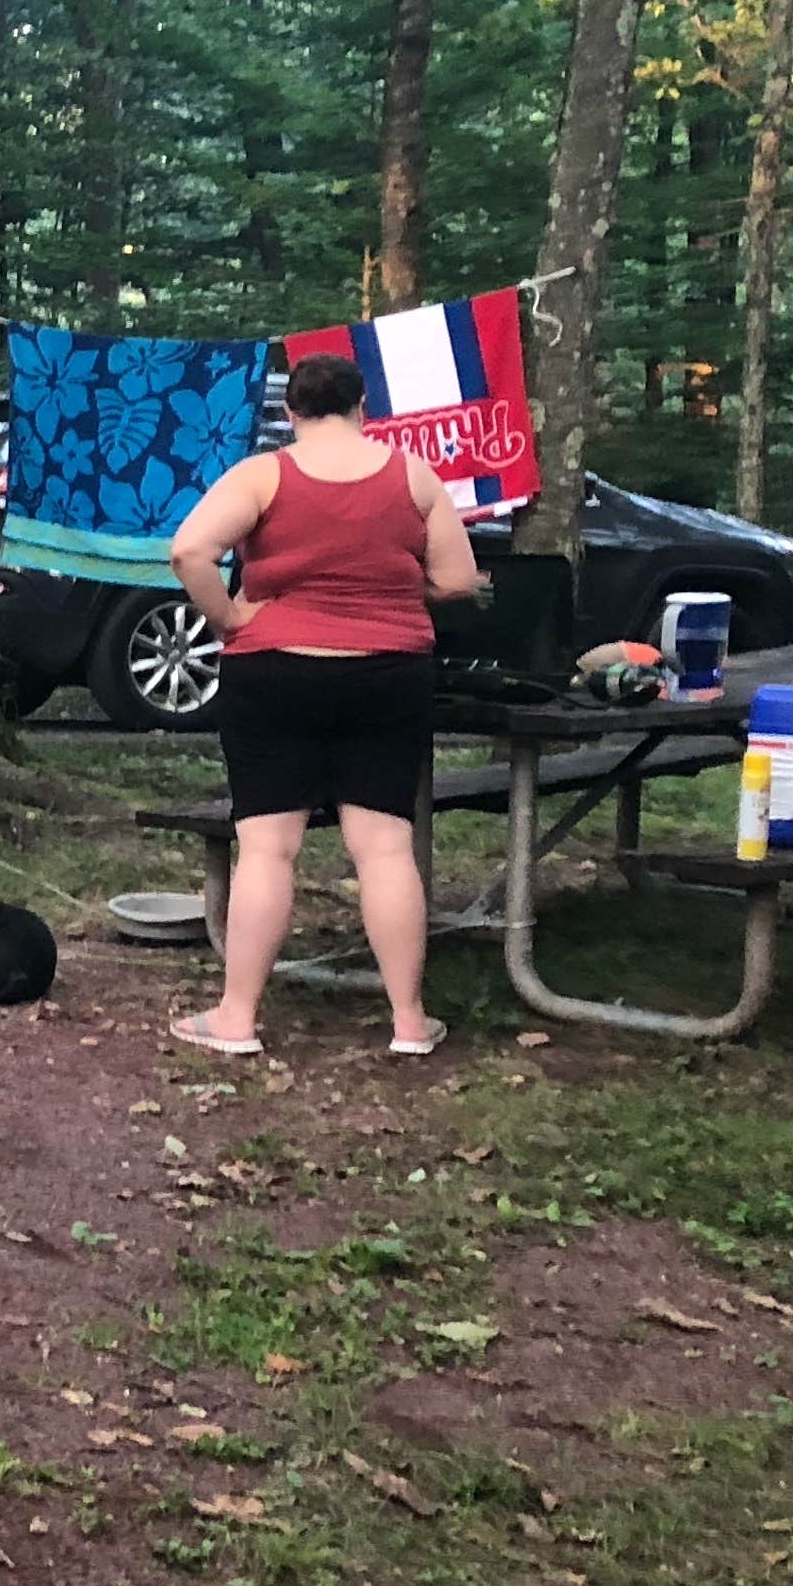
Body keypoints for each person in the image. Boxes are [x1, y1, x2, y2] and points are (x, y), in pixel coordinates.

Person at [162, 350, 484, 1059]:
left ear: (291, 412)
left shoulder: (263, 475)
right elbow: (459, 579)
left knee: (268, 849)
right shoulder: (412, 475)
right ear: (363, 405)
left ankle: (237, 1019)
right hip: (389, 672)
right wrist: (389, 591)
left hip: (275, 672)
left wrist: (231, 621)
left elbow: (189, 551)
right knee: (386, 847)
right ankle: (408, 1023)